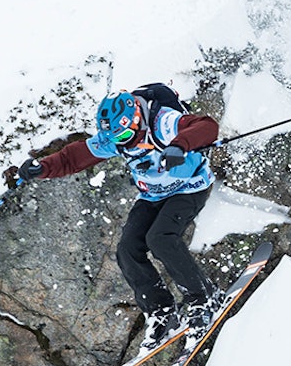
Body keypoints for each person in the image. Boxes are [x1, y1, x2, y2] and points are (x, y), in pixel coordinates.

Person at [19, 83, 222, 350]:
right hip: (152, 195)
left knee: (160, 239)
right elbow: (75, 157)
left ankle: (204, 297)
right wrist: (42, 168)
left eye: (125, 133)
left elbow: (207, 126)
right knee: (127, 250)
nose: (122, 141)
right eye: (115, 138)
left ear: (136, 118)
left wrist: (179, 145)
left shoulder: (163, 122)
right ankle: (162, 312)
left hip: (189, 187)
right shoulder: (115, 136)